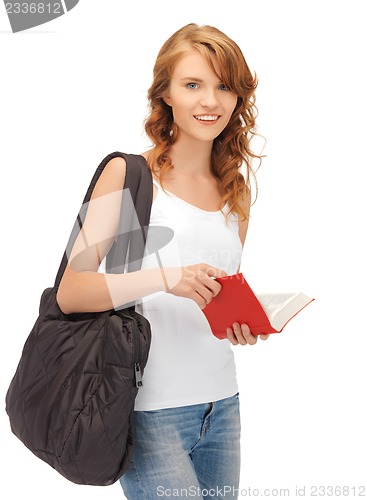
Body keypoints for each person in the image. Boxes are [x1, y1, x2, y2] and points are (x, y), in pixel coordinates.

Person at [56, 22, 269, 499]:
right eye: (193, 84)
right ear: (166, 94)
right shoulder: (128, 175)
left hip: (222, 405)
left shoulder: (236, 190)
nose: (210, 101)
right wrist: (166, 278)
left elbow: (214, 294)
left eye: (223, 86)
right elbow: (72, 292)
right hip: (150, 410)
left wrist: (241, 322)